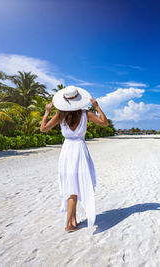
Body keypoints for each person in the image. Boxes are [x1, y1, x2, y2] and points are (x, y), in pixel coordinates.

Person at [40, 85, 109, 232]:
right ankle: (68, 225)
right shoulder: (86, 113)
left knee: (71, 185)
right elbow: (105, 122)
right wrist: (97, 107)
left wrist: (46, 112)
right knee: (74, 187)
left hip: (67, 151)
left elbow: (43, 128)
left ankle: (73, 221)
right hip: (79, 150)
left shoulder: (60, 115)